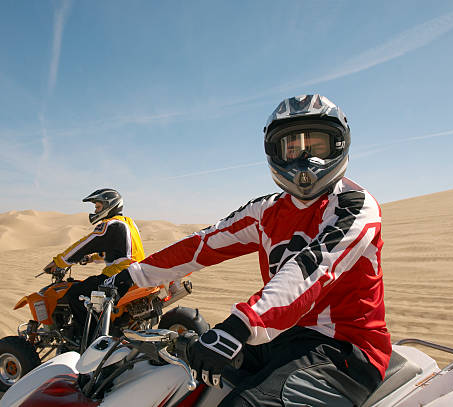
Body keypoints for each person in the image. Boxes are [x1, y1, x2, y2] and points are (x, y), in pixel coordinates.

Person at [106, 95, 391, 406]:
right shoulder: (265, 210)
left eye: (317, 145)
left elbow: (312, 269)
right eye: (292, 147)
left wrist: (240, 325)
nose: (305, 158)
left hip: (343, 348)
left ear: (339, 144)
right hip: (279, 337)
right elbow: (202, 244)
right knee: (180, 374)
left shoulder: (354, 205)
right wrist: (130, 277)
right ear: (275, 152)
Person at [44, 188, 145, 333]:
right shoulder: (128, 223)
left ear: (109, 205)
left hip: (118, 275)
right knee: (89, 288)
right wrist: (93, 258)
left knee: (75, 295)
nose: (96, 211)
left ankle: (91, 338)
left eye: (98, 207)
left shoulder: (110, 224)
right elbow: (123, 251)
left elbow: (85, 243)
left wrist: (59, 262)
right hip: (135, 274)